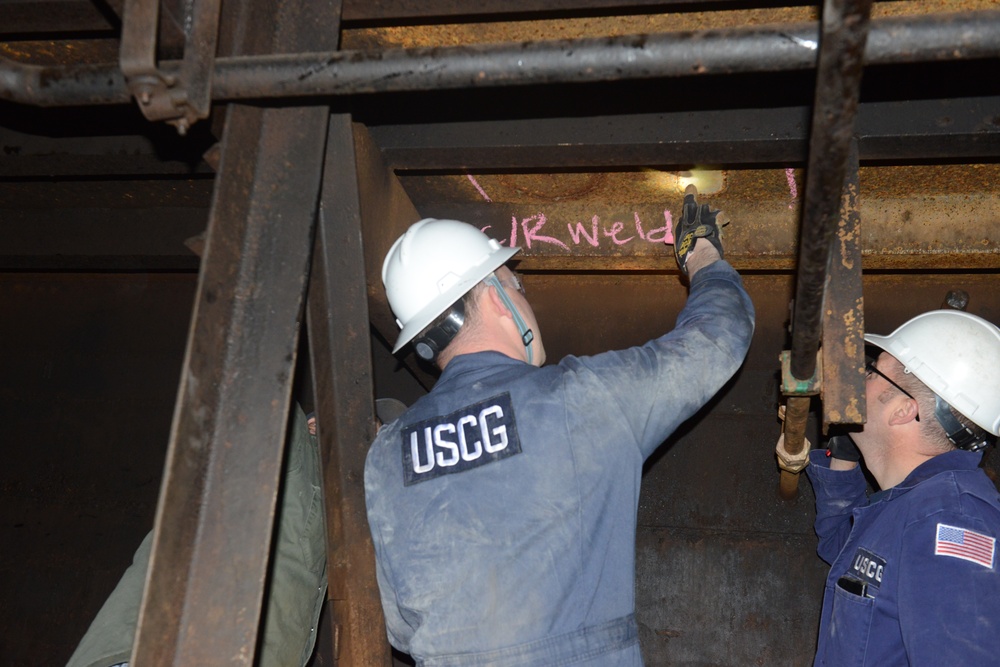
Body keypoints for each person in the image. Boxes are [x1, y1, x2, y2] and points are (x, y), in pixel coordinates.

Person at [365, 190, 755, 666]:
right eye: (516, 284)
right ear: (497, 296)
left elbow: (401, 630)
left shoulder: (385, 457)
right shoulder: (581, 399)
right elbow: (716, 340)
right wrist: (703, 255)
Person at [805, 309, 1000, 666]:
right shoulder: (912, 506)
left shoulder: (951, 522)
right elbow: (842, 550)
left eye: (872, 370)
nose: (860, 377)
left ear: (903, 410)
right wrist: (846, 450)